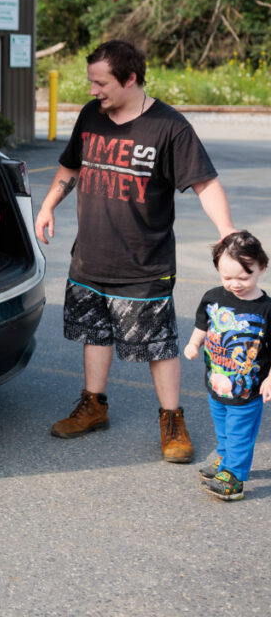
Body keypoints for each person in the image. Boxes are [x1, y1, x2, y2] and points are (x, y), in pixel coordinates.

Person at [35, 39, 235, 463]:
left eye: (100, 82)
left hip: (145, 263)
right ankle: (93, 406)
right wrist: (49, 204)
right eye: (91, 82)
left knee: (158, 345)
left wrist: (227, 232)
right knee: (95, 333)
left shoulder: (170, 127)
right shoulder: (91, 116)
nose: (92, 91)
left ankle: (171, 419)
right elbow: (72, 164)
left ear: (130, 78)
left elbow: (205, 183)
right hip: (89, 257)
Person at [184, 231, 271, 500]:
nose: (234, 284)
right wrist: (194, 344)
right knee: (222, 426)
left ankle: (234, 477)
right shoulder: (213, 297)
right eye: (227, 277)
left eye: (243, 277)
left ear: (261, 268)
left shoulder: (266, 309)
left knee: (239, 432)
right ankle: (224, 460)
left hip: (247, 390)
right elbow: (203, 324)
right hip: (215, 382)